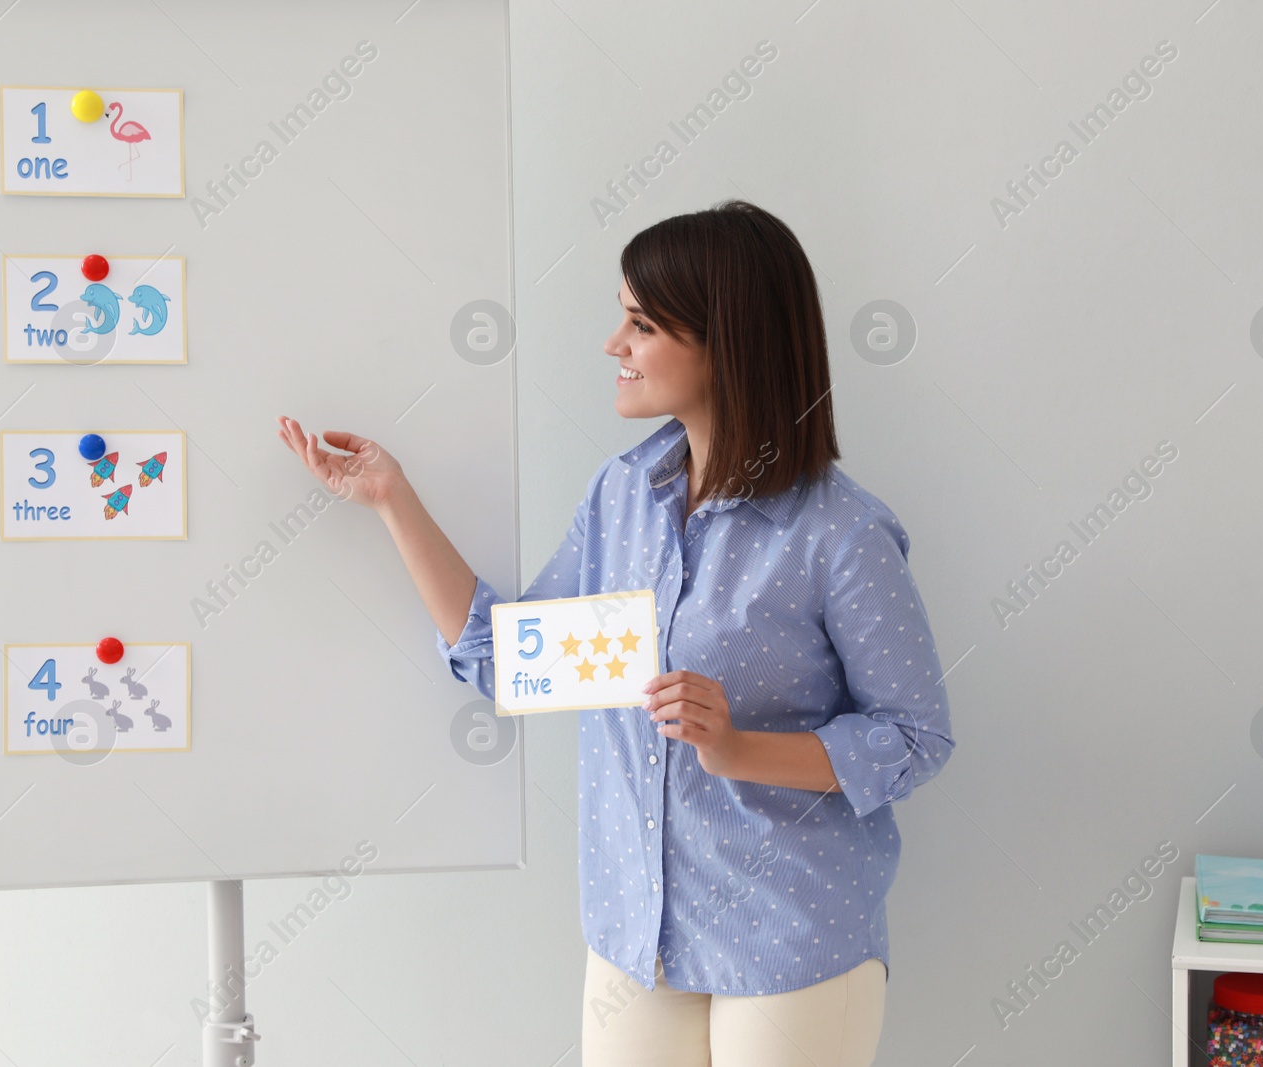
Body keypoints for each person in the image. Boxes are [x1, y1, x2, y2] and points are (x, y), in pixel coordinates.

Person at [277, 199, 955, 1067]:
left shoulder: (840, 532)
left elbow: (914, 736)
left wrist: (738, 747)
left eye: (640, 324)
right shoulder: (623, 496)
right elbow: (510, 663)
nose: (613, 344)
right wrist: (391, 497)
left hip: (793, 941)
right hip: (636, 939)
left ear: (727, 344)